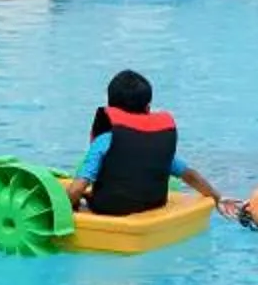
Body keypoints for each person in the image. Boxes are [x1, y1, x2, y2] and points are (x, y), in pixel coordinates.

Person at [64, 68, 234, 218]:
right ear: (148, 107)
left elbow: (77, 188)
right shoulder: (157, 143)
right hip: (153, 204)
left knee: (76, 197)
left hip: (109, 210)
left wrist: (61, 209)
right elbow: (189, 175)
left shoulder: (104, 141)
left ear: (111, 108)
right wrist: (218, 197)